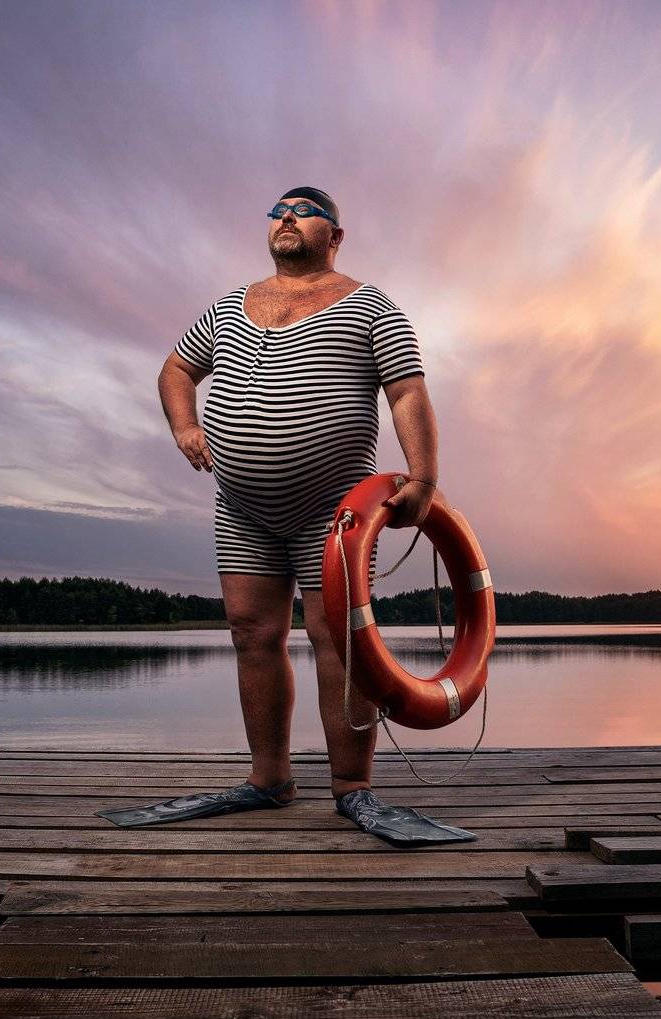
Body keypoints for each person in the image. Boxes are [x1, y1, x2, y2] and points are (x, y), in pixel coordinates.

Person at [98, 187, 474, 846]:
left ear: (336, 234)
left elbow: (407, 391)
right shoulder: (228, 305)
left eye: (303, 210)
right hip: (243, 508)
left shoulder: (371, 305)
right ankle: (269, 778)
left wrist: (424, 478)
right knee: (252, 633)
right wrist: (184, 426)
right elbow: (176, 369)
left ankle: (352, 787)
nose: (286, 218)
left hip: (333, 509)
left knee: (338, 640)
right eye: (277, 211)